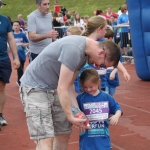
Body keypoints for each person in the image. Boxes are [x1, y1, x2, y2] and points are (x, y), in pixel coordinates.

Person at [19, 35, 121, 150]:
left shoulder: (84, 56)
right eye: (102, 64)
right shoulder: (74, 50)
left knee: (63, 133)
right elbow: (62, 88)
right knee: (46, 138)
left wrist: (77, 112)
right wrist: (70, 116)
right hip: (36, 88)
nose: (98, 67)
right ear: (101, 53)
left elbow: (69, 85)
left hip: (54, 87)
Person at [77, 68, 122, 150]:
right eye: (85, 87)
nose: (88, 89)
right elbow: (74, 110)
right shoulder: (80, 98)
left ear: (98, 82)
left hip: (102, 137)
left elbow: (118, 109)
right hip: (86, 138)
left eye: (91, 87)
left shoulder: (106, 97)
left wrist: (116, 116)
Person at [0, 0, 20, 125]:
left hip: (3, 59)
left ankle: (0, 115)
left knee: (1, 89)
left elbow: (11, 39)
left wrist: (16, 57)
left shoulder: (5, 20)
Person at [104, 28, 121, 96]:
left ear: (110, 38)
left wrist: (113, 72)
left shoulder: (115, 49)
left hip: (112, 74)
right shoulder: (101, 48)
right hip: (103, 75)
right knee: (105, 93)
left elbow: (118, 63)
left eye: (104, 38)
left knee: (111, 93)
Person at [12, 21, 29, 86]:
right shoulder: (11, 35)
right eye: (14, 25)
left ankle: (20, 80)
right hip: (15, 54)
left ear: (19, 26)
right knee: (19, 68)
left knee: (22, 67)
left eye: (17, 25)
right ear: (12, 27)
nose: (16, 27)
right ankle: (20, 82)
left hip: (22, 53)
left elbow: (28, 42)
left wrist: (24, 45)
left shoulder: (22, 34)